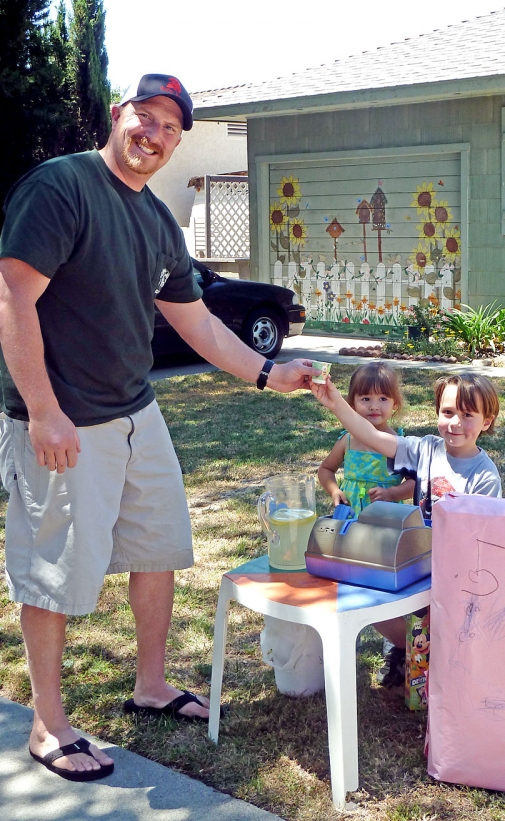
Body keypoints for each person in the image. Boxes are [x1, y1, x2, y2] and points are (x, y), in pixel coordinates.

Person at [0, 73, 316, 782]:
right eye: (145, 117)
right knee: (53, 567)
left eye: (170, 128)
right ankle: (49, 723)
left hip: (136, 410)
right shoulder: (61, 187)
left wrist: (269, 372)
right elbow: (13, 293)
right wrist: (44, 410)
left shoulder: (157, 223)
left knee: (159, 544)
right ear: (118, 115)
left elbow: (196, 320)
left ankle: (150, 684)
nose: (154, 134)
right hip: (65, 417)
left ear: (178, 141)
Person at [311, 371, 501, 687]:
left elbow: (483, 537)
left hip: (456, 573)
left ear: (486, 421)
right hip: (416, 560)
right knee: (377, 605)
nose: (455, 423)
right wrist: (336, 404)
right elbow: (371, 435)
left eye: (468, 416)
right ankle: (405, 653)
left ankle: (441, 678)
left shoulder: (485, 476)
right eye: (448, 412)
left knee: (443, 637)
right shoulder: (424, 449)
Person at [318, 362, 415, 512]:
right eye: (366, 399)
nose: (374, 406)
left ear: (395, 403)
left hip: (387, 521)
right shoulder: (348, 441)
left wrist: (391, 493)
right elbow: (326, 469)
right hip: (350, 518)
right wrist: (334, 491)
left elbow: (414, 483)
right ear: (352, 404)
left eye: (383, 399)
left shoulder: (398, 445)